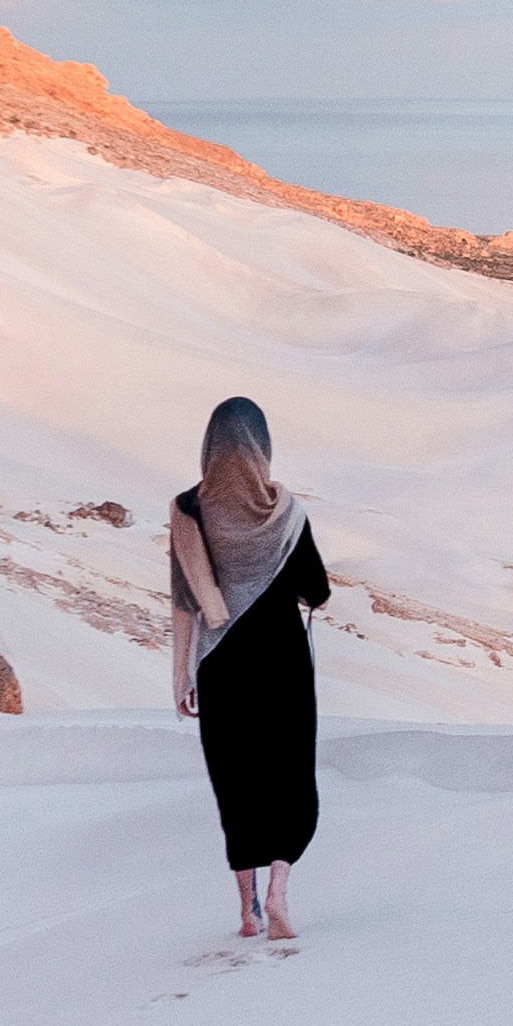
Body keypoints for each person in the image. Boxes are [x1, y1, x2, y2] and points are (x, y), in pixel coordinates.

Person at [165, 392, 336, 944]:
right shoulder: (287, 512)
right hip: (282, 662)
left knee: (236, 783)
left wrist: (182, 677)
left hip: (222, 666)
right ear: (262, 447)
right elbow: (318, 590)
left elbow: (184, 600)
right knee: (288, 777)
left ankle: (248, 910)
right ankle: (280, 891)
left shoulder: (188, 511)